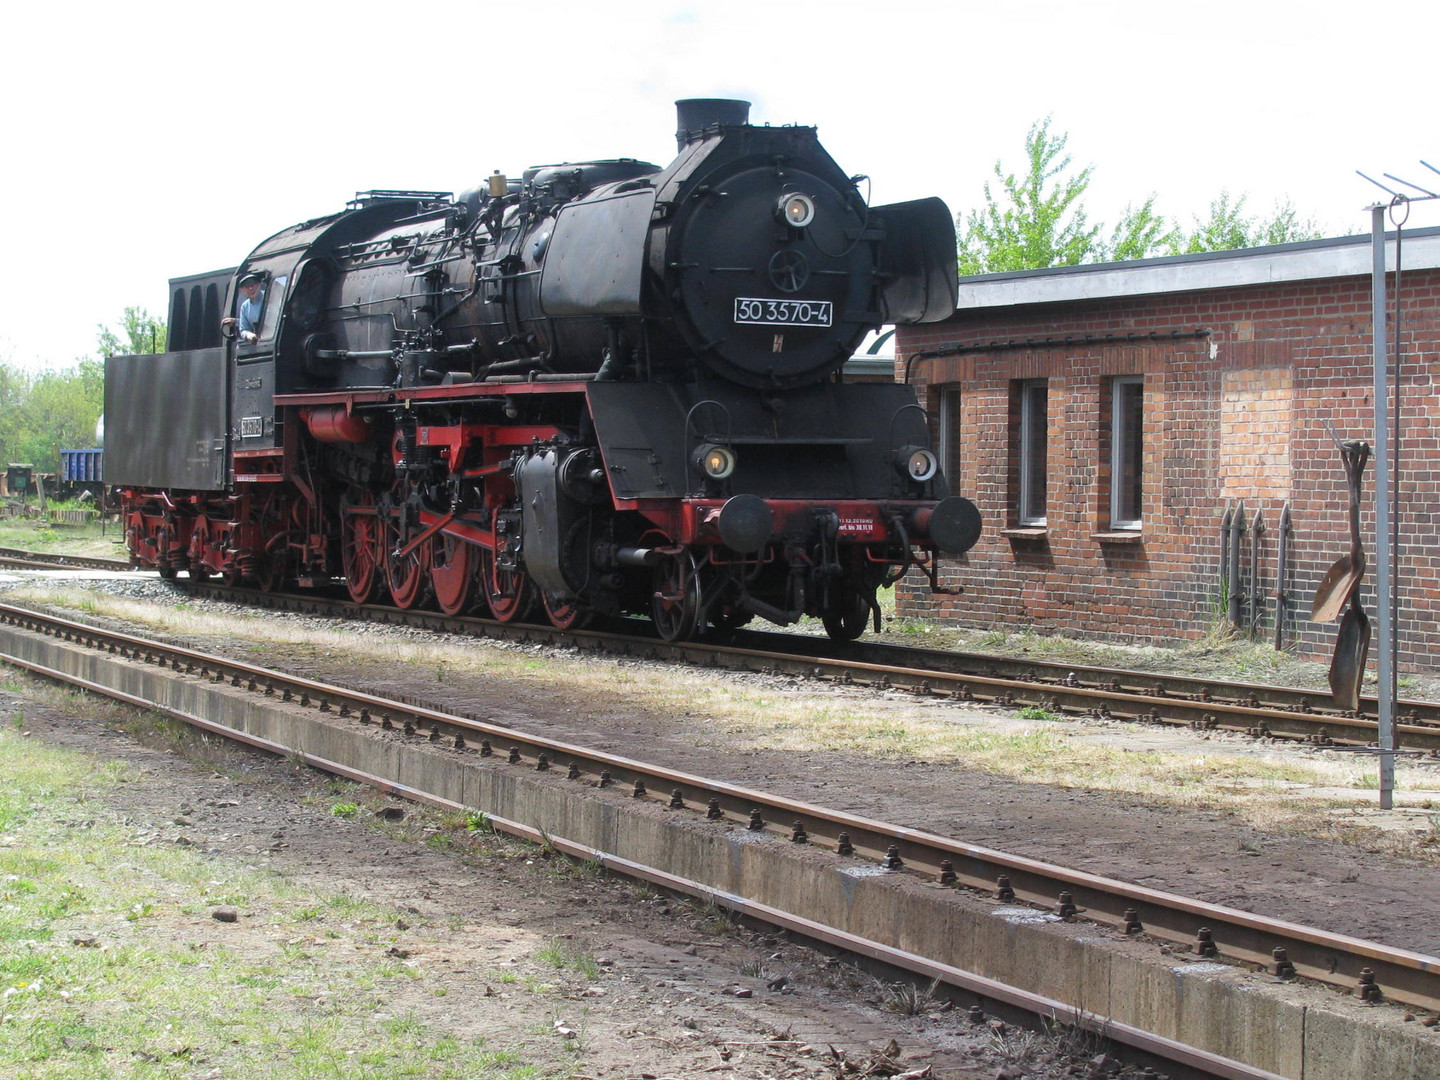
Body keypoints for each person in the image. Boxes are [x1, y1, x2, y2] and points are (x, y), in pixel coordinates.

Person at [222, 272, 266, 343]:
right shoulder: (245, 306)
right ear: (243, 290)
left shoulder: (269, 297)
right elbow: (244, 329)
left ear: (258, 285)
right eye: (247, 287)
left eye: (252, 285)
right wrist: (248, 334)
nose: (251, 288)